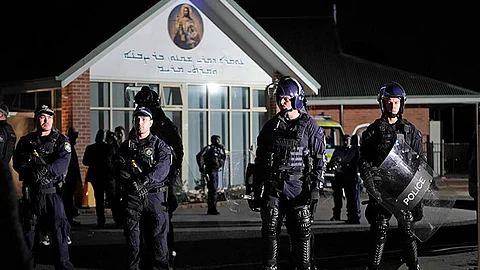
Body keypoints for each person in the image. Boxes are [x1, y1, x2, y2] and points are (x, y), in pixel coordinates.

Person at [250, 76, 326, 270]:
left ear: (296, 99)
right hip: (274, 187)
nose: (282, 102)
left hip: (299, 188)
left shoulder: (310, 127)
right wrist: (256, 187)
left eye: (286, 98)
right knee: (269, 230)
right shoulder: (271, 127)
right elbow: (260, 160)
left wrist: (315, 188)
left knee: (301, 233)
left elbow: (319, 160)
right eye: (280, 98)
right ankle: (270, 266)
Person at [358, 82, 424, 270]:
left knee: (408, 230)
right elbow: (364, 162)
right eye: (388, 102)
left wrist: (417, 191)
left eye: (396, 102)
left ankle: (414, 265)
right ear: (382, 103)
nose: (392, 105)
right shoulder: (372, 132)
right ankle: (373, 267)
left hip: (405, 189)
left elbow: (420, 162)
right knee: (379, 228)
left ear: (401, 104)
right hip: (382, 190)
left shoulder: (411, 131)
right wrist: (371, 184)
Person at [12, 105, 74, 269]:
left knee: (59, 234)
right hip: (31, 194)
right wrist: (31, 172)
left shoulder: (61, 141)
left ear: (53, 119)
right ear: (36, 119)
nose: (46, 120)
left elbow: (63, 163)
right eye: (42, 117)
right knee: (28, 235)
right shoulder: (26, 142)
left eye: (49, 117)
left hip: (52, 193)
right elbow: (18, 162)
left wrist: (46, 170)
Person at [113, 106, 172, 270]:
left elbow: (163, 168)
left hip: (154, 196)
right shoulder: (126, 147)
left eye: (144, 119)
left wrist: (145, 180)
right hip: (133, 197)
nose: (140, 123)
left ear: (150, 123)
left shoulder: (160, 146)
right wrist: (132, 182)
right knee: (133, 239)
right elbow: (118, 167)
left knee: (158, 239)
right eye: (137, 119)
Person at [133, 85, 185, 268]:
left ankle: (166, 256)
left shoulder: (164, 126)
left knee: (161, 224)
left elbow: (176, 153)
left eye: (142, 103)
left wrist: (168, 179)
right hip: (142, 184)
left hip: (160, 184)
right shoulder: (140, 125)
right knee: (144, 225)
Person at [83, 129, 115, 229]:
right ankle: (117, 219)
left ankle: (101, 221)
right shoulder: (109, 148)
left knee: (99, 199)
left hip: (96, 176)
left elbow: (85, 161)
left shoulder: (91, 148)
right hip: (107, 176)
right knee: (112, 198)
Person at [196, 135, 226, 215]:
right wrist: (201, 167)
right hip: (210, 170)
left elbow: (224, 158)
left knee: (214, 189)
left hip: (216, 170)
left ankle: (213, 207)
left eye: (219, 140)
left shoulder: (218, 150)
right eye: (216, 140)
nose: (218, 142)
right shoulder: (209, 148)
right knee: (212, 189)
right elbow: (199, 156)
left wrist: (223, 149)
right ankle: (212, 208)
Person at [328, 134, 350, 221]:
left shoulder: (351, 151)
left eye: (347, 141)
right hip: (339, 174)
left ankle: (351, 215)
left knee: (350, 196)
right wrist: (335, 161)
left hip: (348, 175)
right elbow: (331, 163)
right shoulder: (337, 150)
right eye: (344, 140)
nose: (345, 143)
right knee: (337, 196)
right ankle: (336, 215)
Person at [63, 127, 81, 225]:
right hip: (69, 178)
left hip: (71, 177)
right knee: (68, 199)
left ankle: (69, 218)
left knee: (70, 199)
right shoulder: (67, 145)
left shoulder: (71, 146)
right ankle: (68, 219)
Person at [341, 134, 361, 224]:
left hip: (354, 177)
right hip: (351, 176)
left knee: (354, 197)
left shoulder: (356, 150)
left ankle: (355, 216)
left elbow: (346, 160)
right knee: (352, 197)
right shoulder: (353, 150)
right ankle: (352, 215)